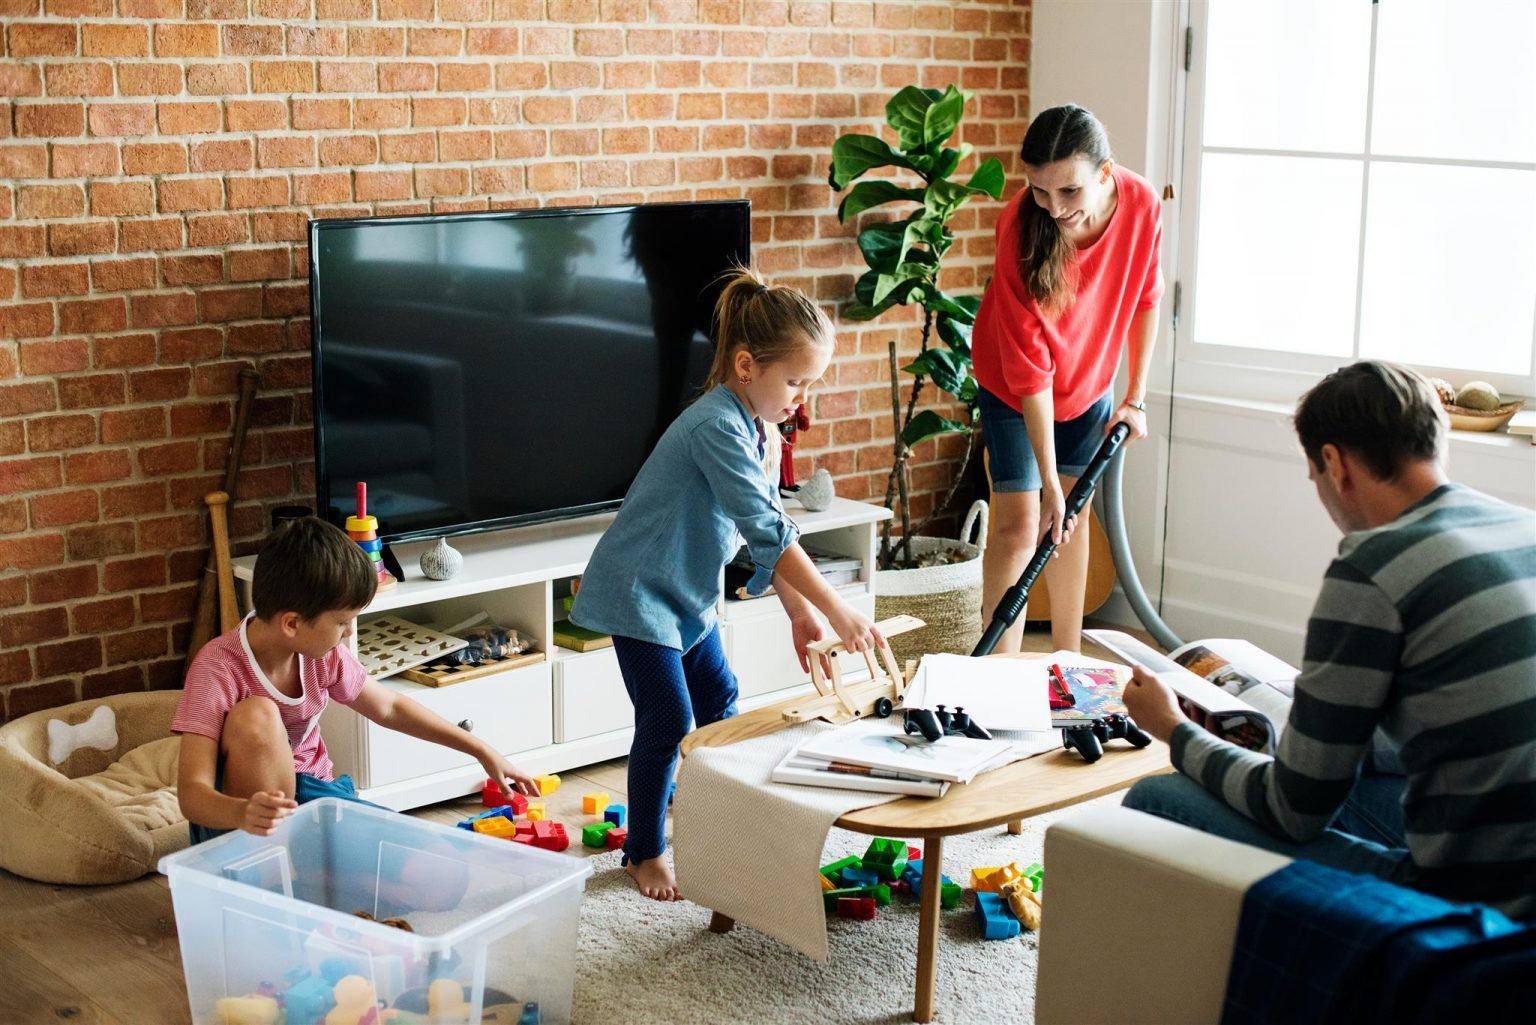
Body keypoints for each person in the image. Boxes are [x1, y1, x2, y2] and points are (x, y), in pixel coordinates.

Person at [1121, 361, 1536, 919]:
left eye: (1313, 476)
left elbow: (1294, 812)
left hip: (1478, 904)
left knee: (1157, 801)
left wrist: (1172, 729)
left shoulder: (1374, 566)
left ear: (1336, 465)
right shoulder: (1521, 526)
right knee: (1344, 760)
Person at [571, 268, 882, 902]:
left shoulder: (759, 429)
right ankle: (645, 848)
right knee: (668, 719)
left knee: (722, 700)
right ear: (746, 366)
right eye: (795, 382)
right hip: (640, 593)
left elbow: (767, 526)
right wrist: (837, 607)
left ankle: (717, 808)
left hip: (686, 595)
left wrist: (799, 611)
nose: (802, 399)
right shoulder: (715, 426)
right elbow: (768, 528)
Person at [174, 517, 540, 843]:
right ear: (292, 623)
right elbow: (192, 794)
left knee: (438, 873)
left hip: (315, 796)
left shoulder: (323, 654)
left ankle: (311, 872)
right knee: (258, 715)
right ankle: (272, 880)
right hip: (242, 820)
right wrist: (243, 813)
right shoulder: (216, 669)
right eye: (342, 622)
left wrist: (480, 750)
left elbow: (390, 706)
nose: (350, 632)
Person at [972, 104, 1163, 653]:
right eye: (1039, 190)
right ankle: (997, 676)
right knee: (1020, 522)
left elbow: (1147, 298)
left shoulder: (1142, 203)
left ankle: (1068, 661)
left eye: (1069, 193)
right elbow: (1030, 369)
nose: (1053, 209)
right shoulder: (1019, 225)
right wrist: (1050, 482)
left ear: (1105, 174)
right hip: (1014, 383)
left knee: (1071, 520)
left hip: (1090, 378)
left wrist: (1137, 398)